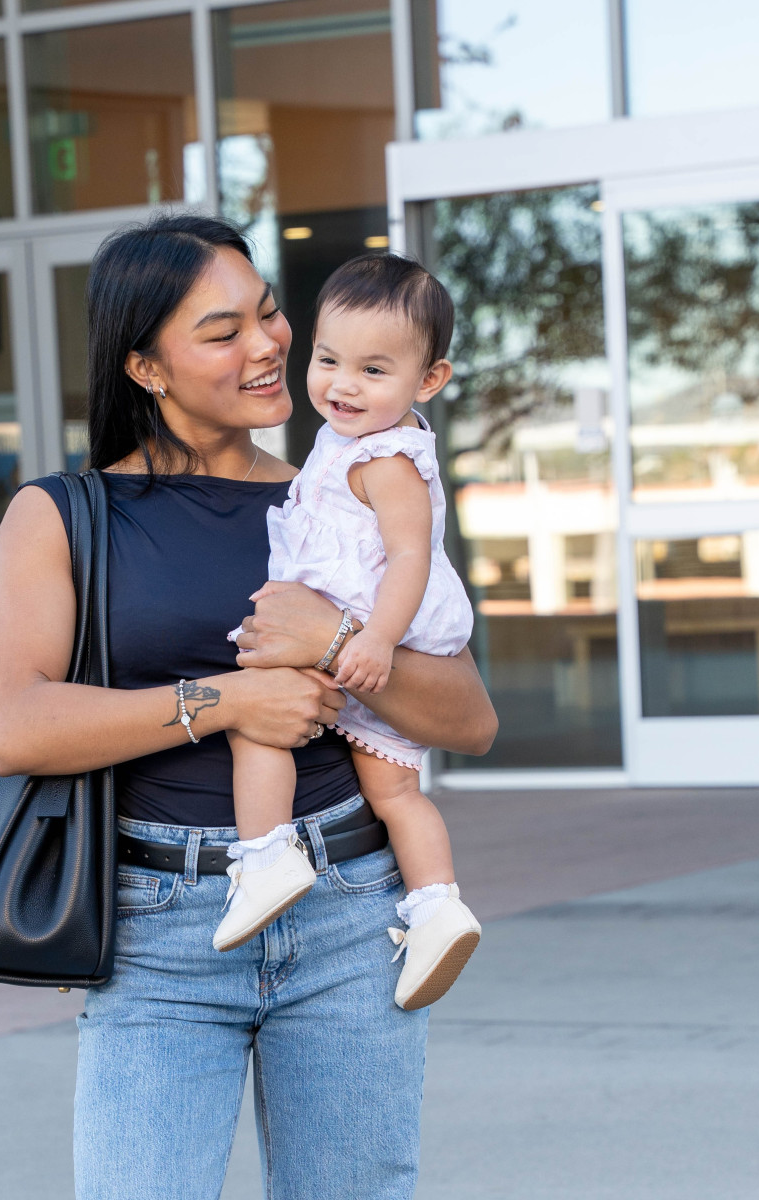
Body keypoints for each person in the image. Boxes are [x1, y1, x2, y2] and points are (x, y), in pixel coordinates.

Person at [0, 211, 497, 1200]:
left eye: (266, 314)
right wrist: (227, 700)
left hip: (350, 916)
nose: (265, 344)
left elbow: (467, 719)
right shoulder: (63, 516)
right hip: (160, 931)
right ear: (146, 366)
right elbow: (15, 726)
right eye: (221, 332)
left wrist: (336, 643)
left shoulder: (344, 490)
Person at [215, 253, 481, 1012]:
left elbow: (409, 557)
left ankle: (265, 856)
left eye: (372, 370)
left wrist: (367, 643)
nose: (341, 384)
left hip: (373, 628)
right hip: (361, 627)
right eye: (328, 360)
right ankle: (435, 907)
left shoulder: (385, 458)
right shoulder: (344, 440)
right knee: (394, 790)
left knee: (257, 722)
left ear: (427, 381)